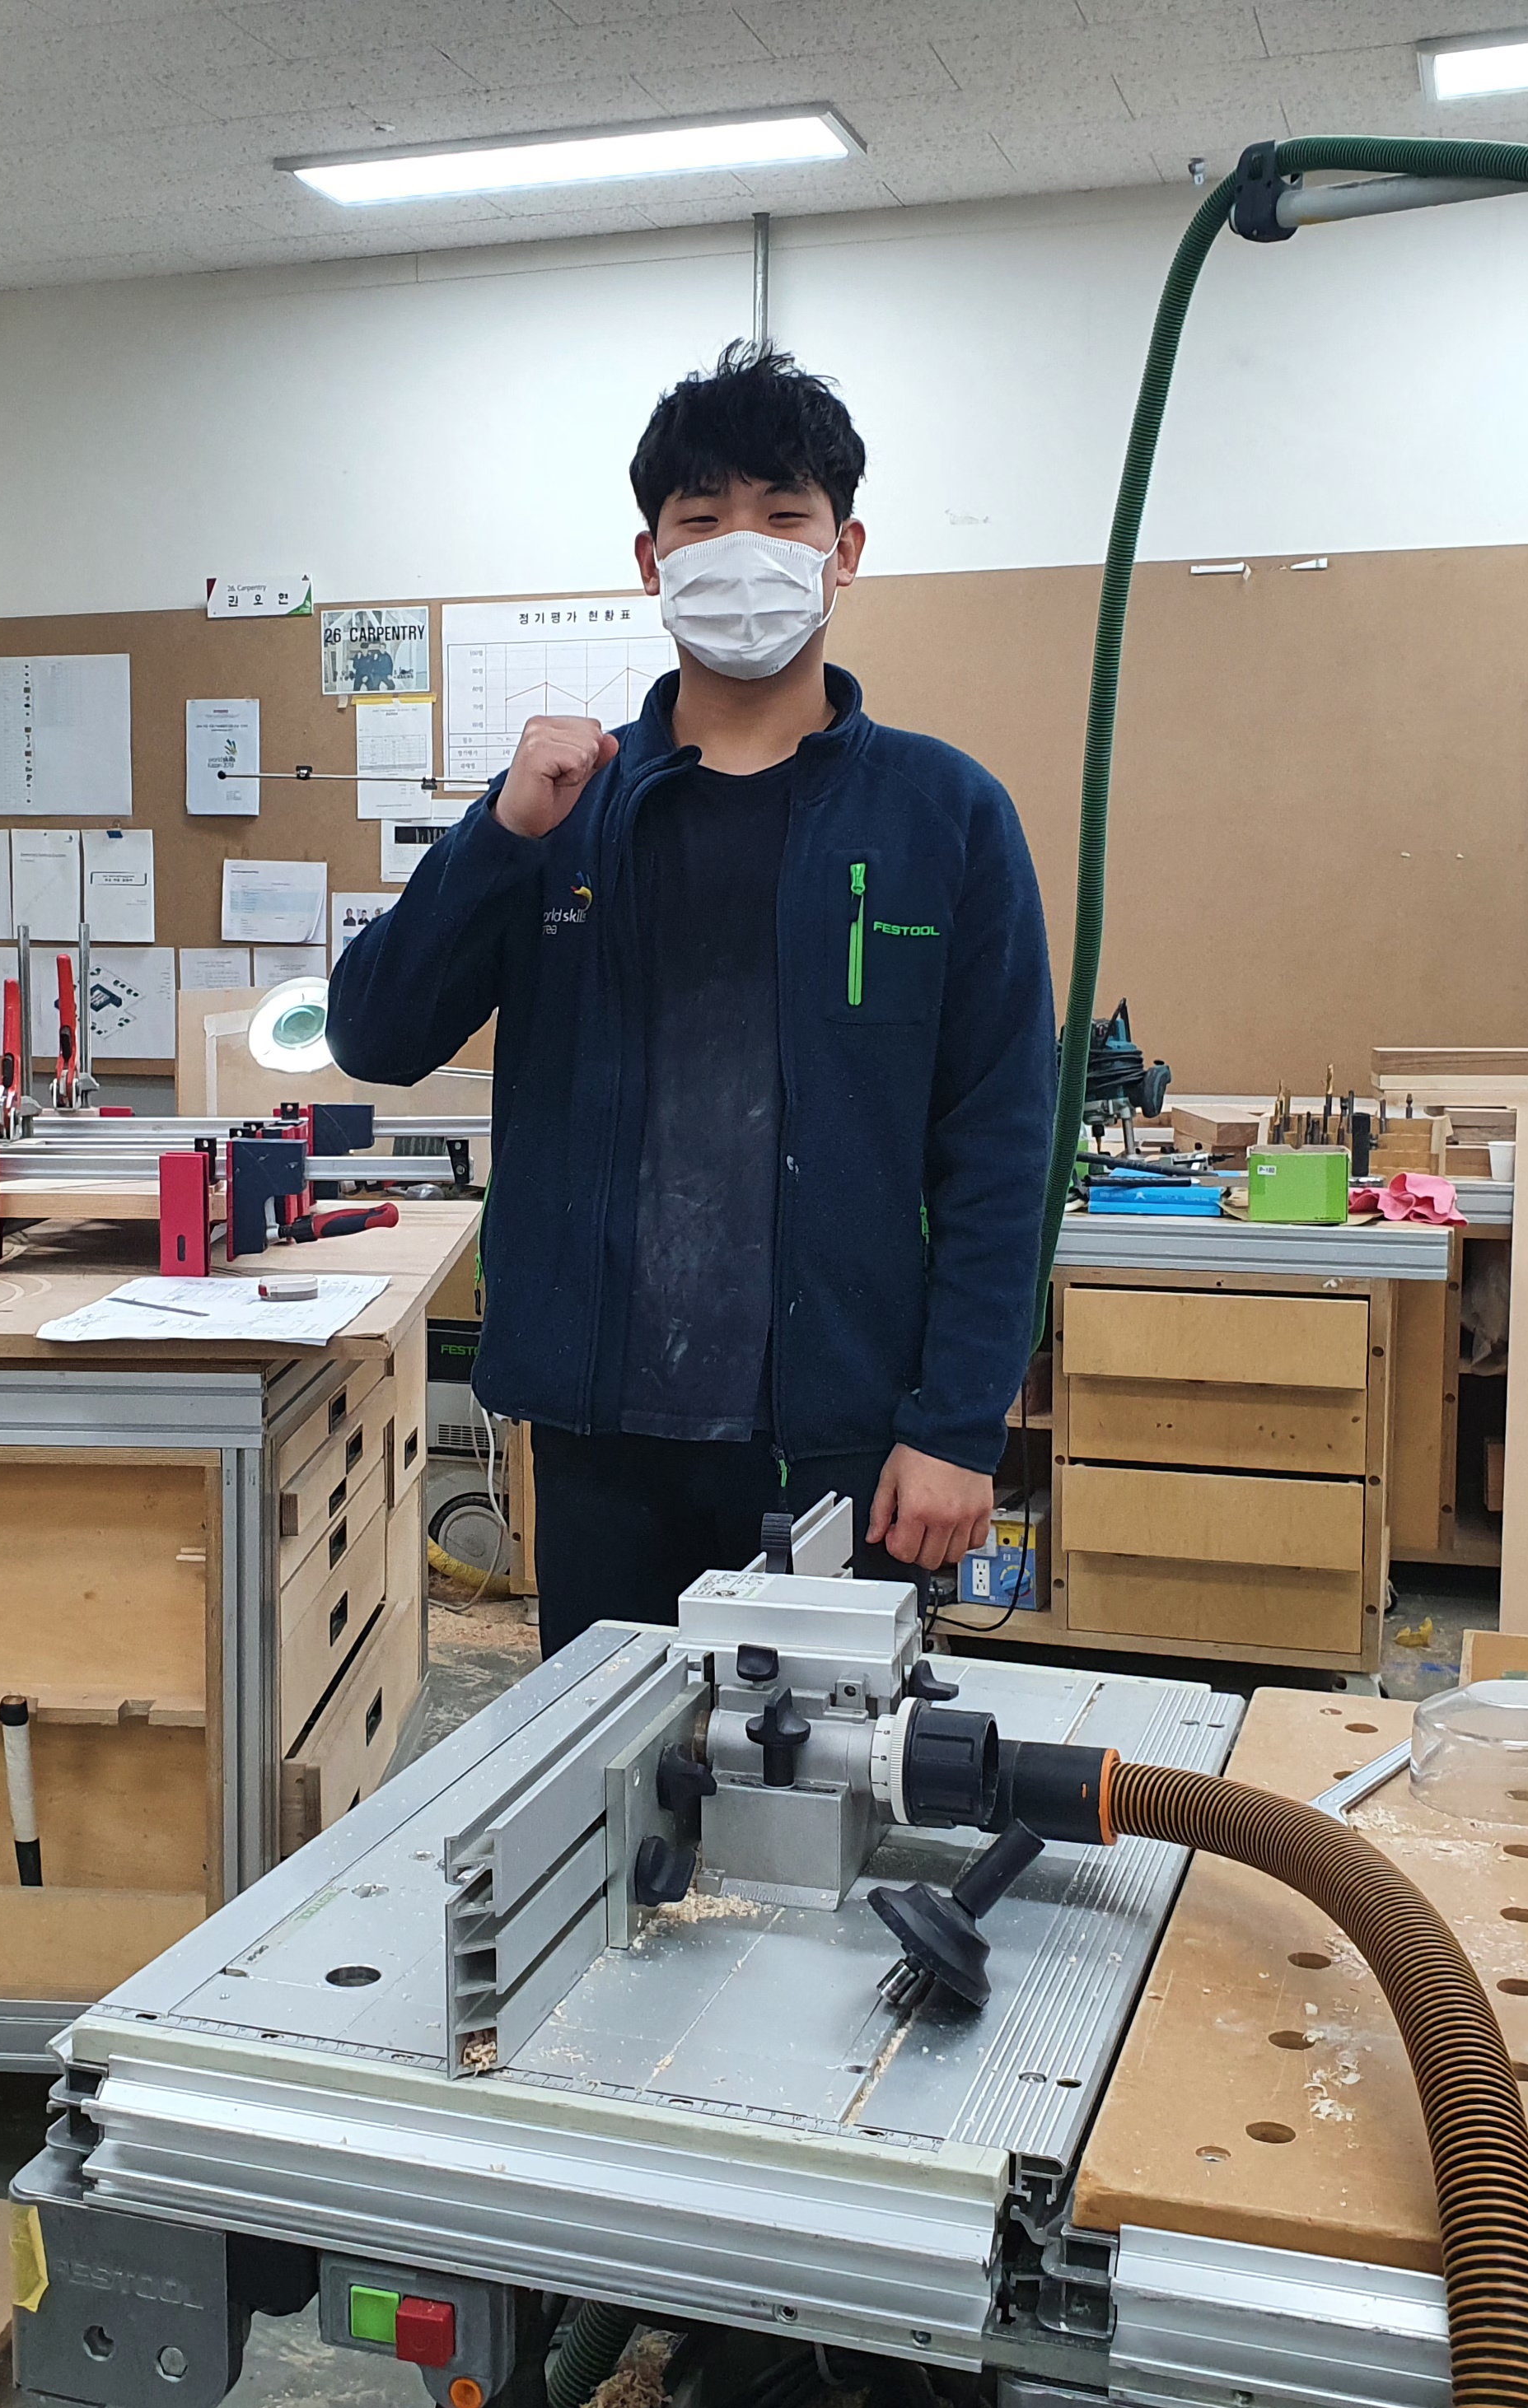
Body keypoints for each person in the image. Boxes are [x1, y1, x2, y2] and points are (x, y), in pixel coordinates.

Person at [329, 342, 1057, 1653]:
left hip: (838, 1438)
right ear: (650, 559)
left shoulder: (942, 814)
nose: (743, 548)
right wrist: (497, 837)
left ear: (845, 551)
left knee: (827, 1759)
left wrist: (957, 1425)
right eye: (702, 519)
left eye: (784, 515)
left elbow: (1002, 1147)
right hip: (602, 1433)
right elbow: (374, 1035)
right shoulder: (564, 807)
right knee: (610, 1764)